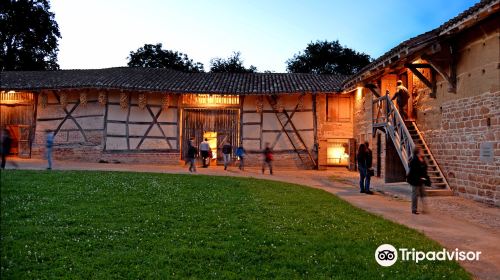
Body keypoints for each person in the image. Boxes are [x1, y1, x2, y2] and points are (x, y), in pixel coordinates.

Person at [407, 147, 431, 214]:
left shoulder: (423, 159)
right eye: (421, 151)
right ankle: (414, 209)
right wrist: (419, 177)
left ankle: (424, 208)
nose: (422, 152)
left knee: (423, 194)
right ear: (418, 153)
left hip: (421, 180)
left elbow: (424, 169)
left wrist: (425, 177)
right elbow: (413, 171)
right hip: (415, 180)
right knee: (415, 195)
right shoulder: (414, 160)